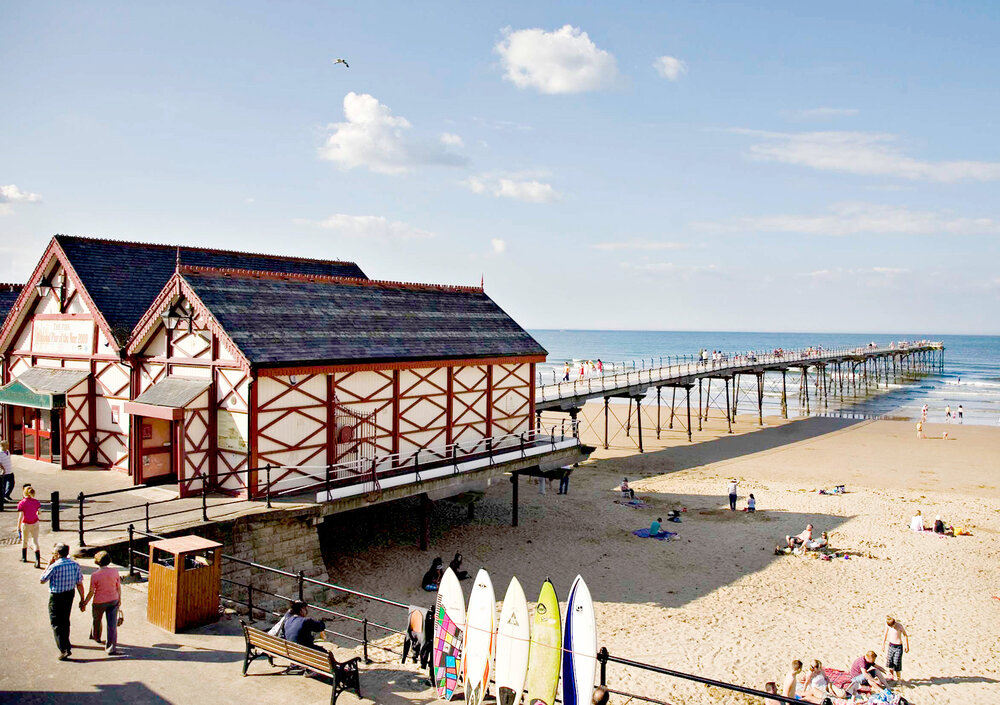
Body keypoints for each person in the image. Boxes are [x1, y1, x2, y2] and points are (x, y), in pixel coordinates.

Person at [40, 543, 85, 660]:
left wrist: (48, 565)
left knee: (56, 622)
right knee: (65, 619)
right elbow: (79, 583)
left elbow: (42, 579)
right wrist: (82, 599)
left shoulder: (54, 566)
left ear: (57, 554)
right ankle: (66, 642)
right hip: (69, 594)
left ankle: (64, 649)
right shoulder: (75, 565)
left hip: (56, 596)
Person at [80, 551, 121, 655]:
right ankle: (111, 648)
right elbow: (118, 587)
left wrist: (84, 602)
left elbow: (91, 591)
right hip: (113, 599)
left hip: (99, 601)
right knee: (112, 625)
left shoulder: (95, 575)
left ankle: (96, 636)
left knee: (97, 619)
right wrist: (119, 599)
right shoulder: (115, 571)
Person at [17, 485, 42, 567]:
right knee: (35, 541)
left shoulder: (22, 503)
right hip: (35, 522)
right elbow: (39, 512)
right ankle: (37, 560)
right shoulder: (36, 502)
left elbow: (21, 516)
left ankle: (24, 558)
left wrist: (18, 526)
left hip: (26, 523)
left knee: (25, 540)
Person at [882, 616, 909, 682]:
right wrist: (883, 644)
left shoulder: (899, 626)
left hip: (898, 646)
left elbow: (905, 635)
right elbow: (885, 634)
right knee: (890, 662)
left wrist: (907, 646)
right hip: (891, 645)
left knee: (897, 663)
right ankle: (891, 677)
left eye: (892, 626)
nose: (892, 627)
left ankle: (899, 679)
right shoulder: (888, 625)